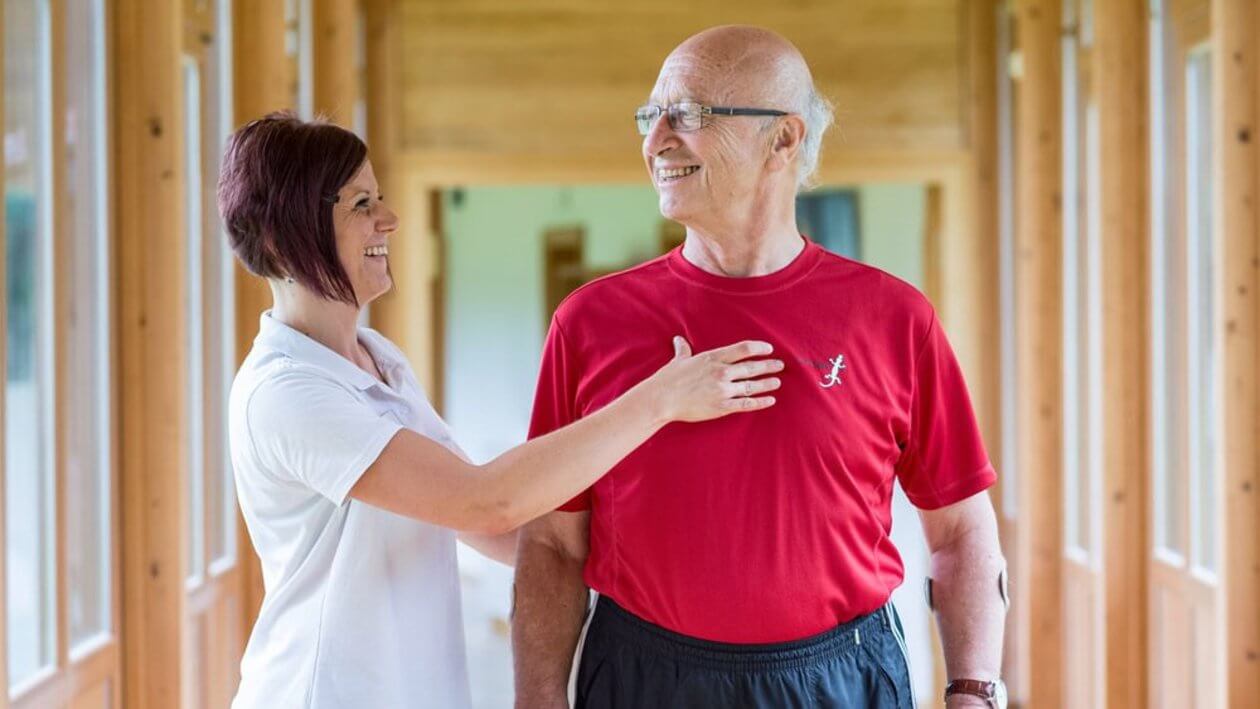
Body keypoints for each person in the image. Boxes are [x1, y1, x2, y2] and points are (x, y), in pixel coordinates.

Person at [512, 26, 1008, 709]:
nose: (656, 139)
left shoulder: (894, 318)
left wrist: (975, 688)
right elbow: (552, 543)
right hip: (643, 675)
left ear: (784, 139)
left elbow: (961, 530)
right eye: (649, 116)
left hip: (842, 677)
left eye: (689, 113)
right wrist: (536, 697)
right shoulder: (589, 322)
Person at [219, 112, 785, 709]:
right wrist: (662, 398)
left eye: (380, 197)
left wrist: (652, 566)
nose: (389, 218)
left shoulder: (376, 358)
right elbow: (483, 502)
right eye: (361, 204)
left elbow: (485, 525)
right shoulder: (285, 393)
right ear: (283, 236)